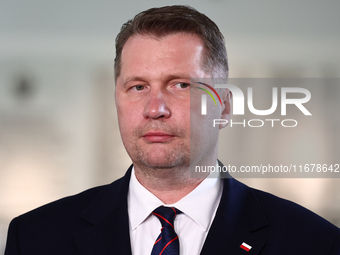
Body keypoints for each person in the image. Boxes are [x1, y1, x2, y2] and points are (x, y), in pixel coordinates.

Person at [5, 5, 340, 255]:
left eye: (180, 85)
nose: (155, 109)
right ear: (117, 100)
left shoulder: (313, 242)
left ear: (223, 106)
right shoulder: (35, 237)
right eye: (137, 87)